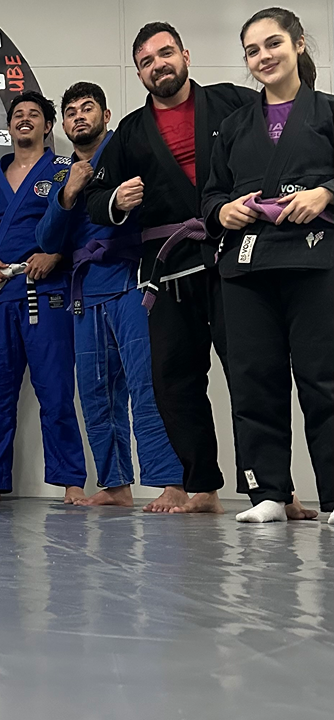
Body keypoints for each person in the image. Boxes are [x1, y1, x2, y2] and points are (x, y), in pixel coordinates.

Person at [86, 22, 258, 514]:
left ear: (185, 55)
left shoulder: (232, 102)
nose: (157, 65)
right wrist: (116, 200)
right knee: (174, 380)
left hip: (233, 259)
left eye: (165, 53)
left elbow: (275, 147)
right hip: (169, 270)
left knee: (251, 373)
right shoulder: (130, 133)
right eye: (146, 61)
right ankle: (203, 487)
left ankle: (270, 488)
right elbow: (95, 198)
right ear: (139, 73)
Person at [202, 7, 333, 523]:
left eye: (273, 43)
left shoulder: (327, 112)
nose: (263, 57)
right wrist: (223, 211)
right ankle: (268, 495)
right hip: (248, 267)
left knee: (324, 379)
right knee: (254, 379)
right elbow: (211, 194)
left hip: (314, 261)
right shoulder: (234, 126)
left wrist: (326, 192)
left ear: (299, 44)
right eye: (252, 51)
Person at [37, 82, 182, 506]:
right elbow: (46, 239)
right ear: (64, 125)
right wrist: (69, 192)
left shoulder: (130, 150)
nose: (79, 116)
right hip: (86, 291)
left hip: (133, 280)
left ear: (106, 115)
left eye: (87, 108)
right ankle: (115, 486)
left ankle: (172, 482)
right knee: (96, 391)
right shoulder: (63, 176)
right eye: (71, 112)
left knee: (147, 385)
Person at [0, 91, 87, 503]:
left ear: (48, 126)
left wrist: (56, 254)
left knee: (55, 391)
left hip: (45, 295)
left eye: (34, 114)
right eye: (18, 114)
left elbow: (82, 224)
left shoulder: (65, 170)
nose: (25, 118)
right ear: (10, 125)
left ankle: (71, 481)